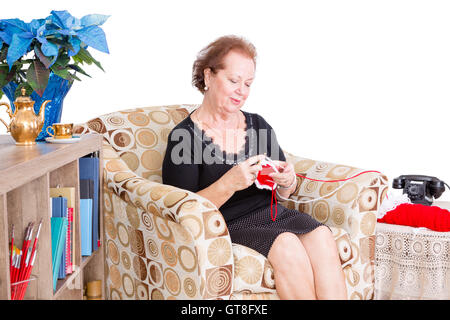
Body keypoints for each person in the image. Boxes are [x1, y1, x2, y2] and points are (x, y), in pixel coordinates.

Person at [162, 35, 347, 300]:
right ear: (209, 76)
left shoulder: (258, 125)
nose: (242, 91)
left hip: (270, 214)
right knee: (287, 245)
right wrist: (229, 183)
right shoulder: (184, 138)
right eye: (234, 81)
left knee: (321, 236)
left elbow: (283, 191)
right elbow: (181, 209)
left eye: (248, 83)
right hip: (226, 222)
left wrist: (286, 182)